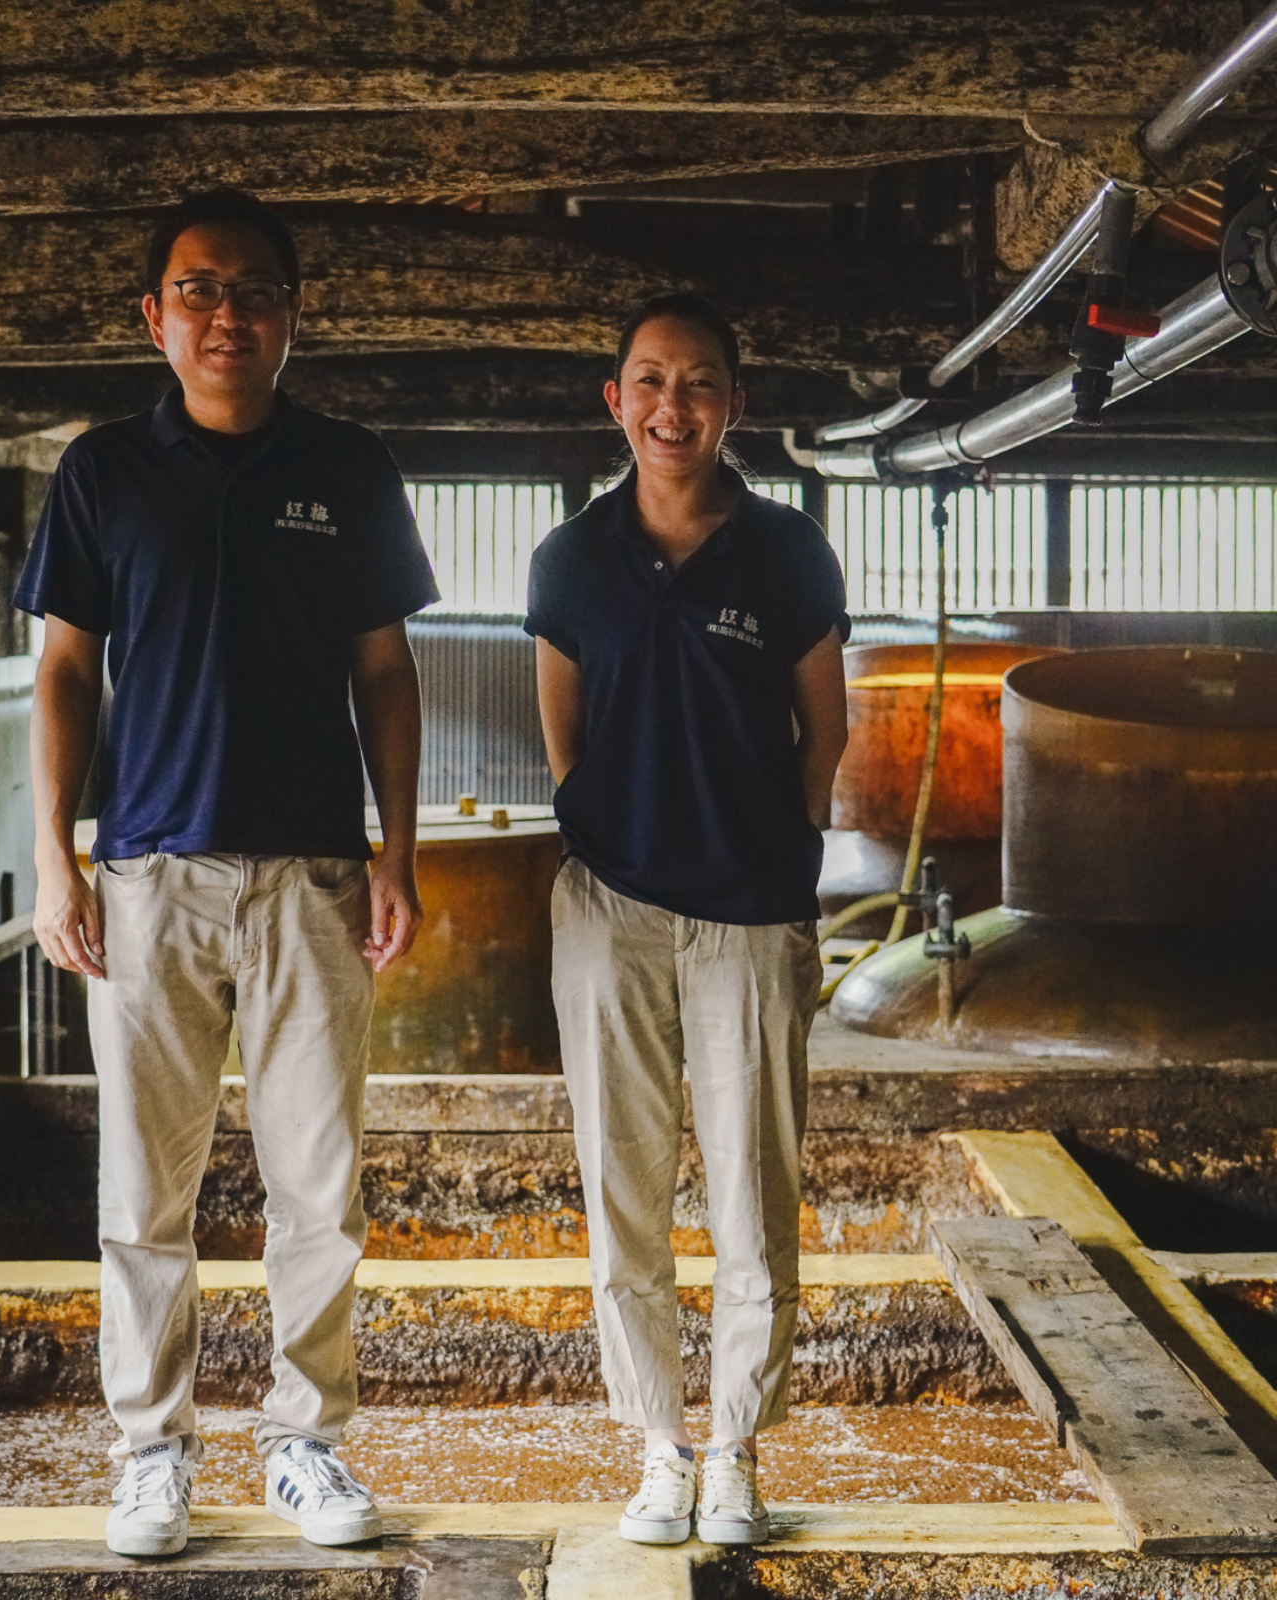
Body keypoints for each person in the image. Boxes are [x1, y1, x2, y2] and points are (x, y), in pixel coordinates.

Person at [16, 189, 439, 1558]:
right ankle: (151, 1454)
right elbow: (65, 671)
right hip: (148, 875)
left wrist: (398, 850)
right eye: (199, 290)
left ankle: (304, 1446)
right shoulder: (103, 474)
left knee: (321, 1185)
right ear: (157, 318)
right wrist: (55, 858)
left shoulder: (350, 466)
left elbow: (386, 669)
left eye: (255, 290)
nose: (227, 314)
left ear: (292, 315)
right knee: (144, 1192)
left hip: (313, 874)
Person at [524, 294, 849, 1547]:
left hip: (750, 916)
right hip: (610, 906)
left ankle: (735, 1449)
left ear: (733, 405)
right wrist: (608, 830)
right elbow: (566, 735)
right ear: (616, 402)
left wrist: (784, 851)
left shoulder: (787, 551)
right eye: (650, 381)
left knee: (754, 1194)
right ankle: (659, 1442)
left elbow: (823, 728)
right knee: (623, 1184)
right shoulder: (566, 560)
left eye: (699, 382)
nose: (673, 405)